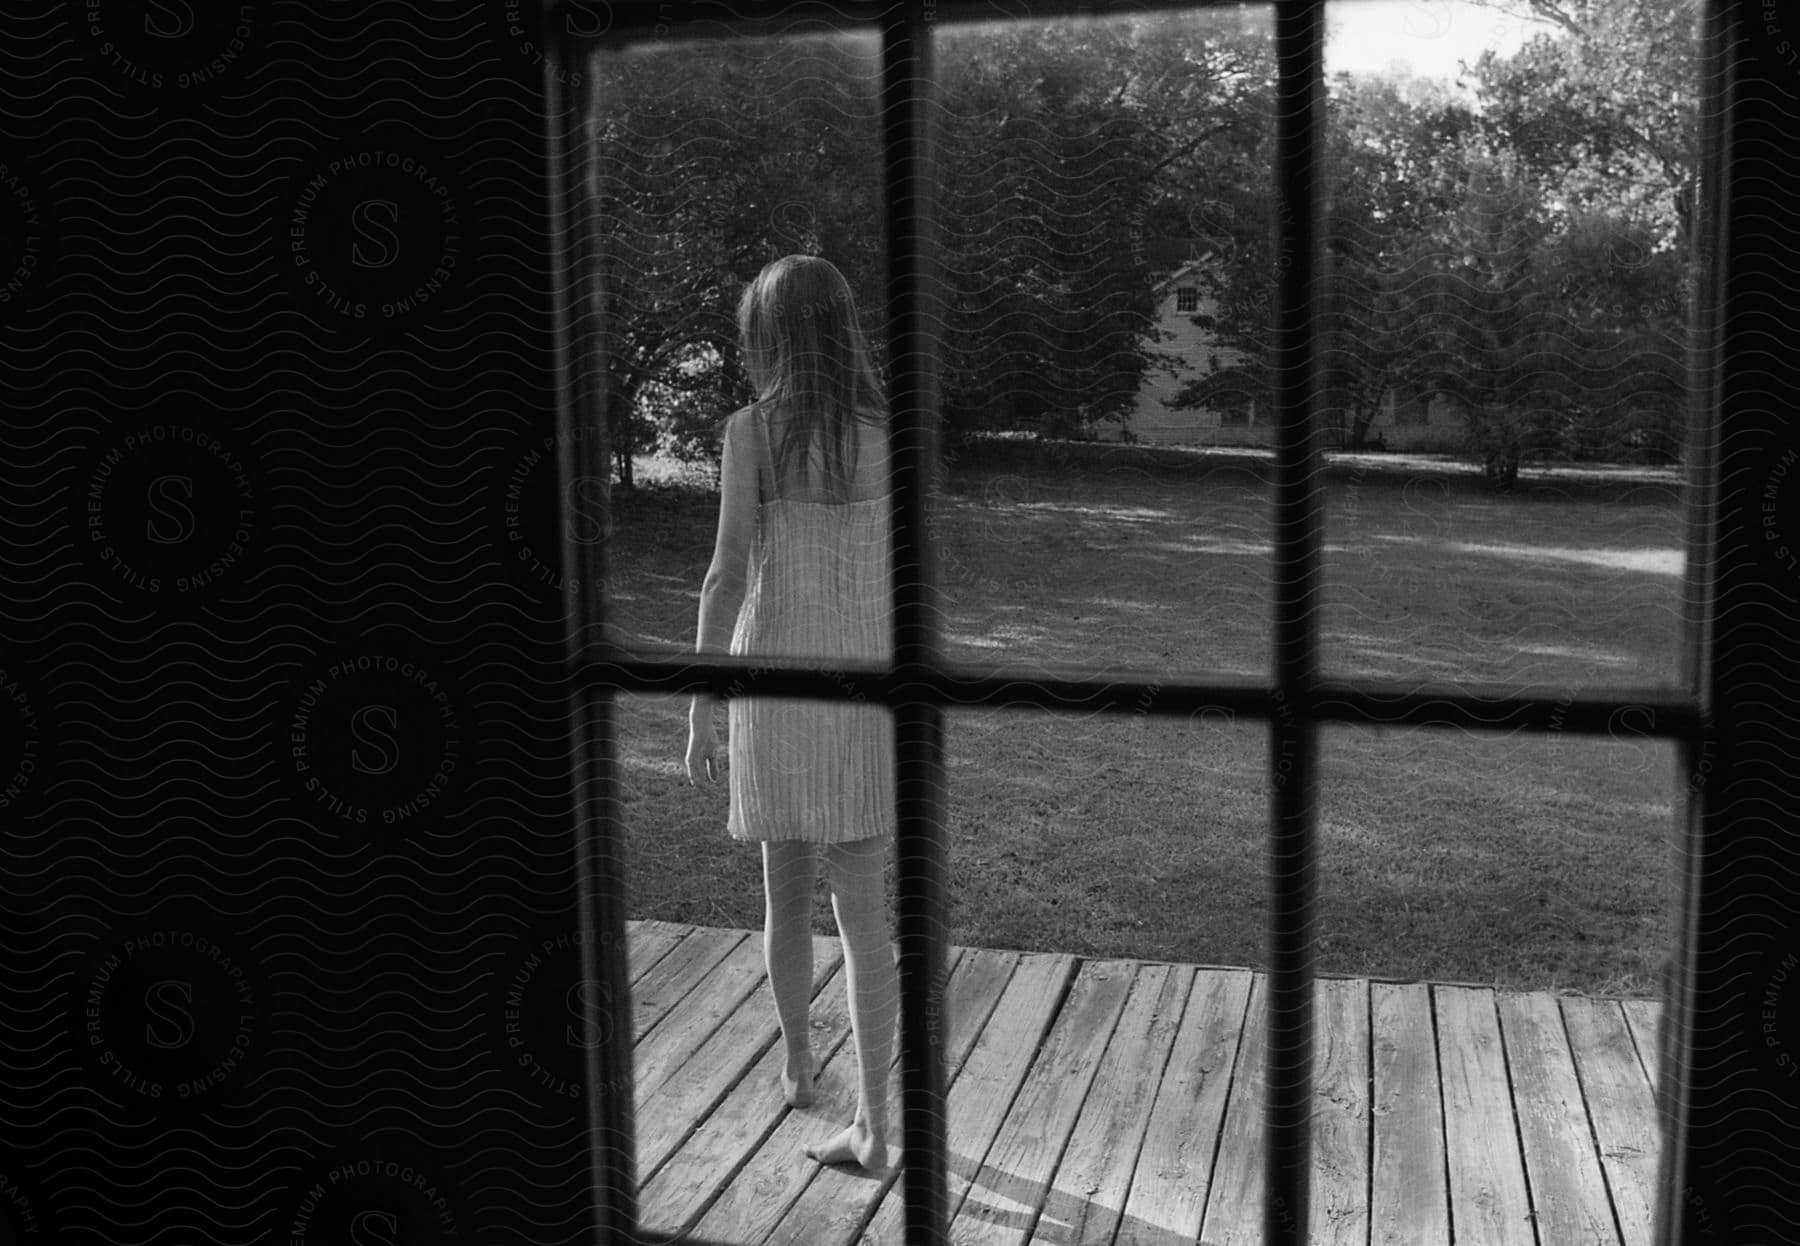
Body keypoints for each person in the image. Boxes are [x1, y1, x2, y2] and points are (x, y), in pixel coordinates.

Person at [684, 254, 899, 1173]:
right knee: (864, 912)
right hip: (867, 692)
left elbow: (726, 576)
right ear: (844, 328)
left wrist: (700, 705)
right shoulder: (888, 434)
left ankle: (802, 1070)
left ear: (768, 333)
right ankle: (879, 1125)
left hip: (776, 684)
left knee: (785, 894)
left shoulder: (750, 432)